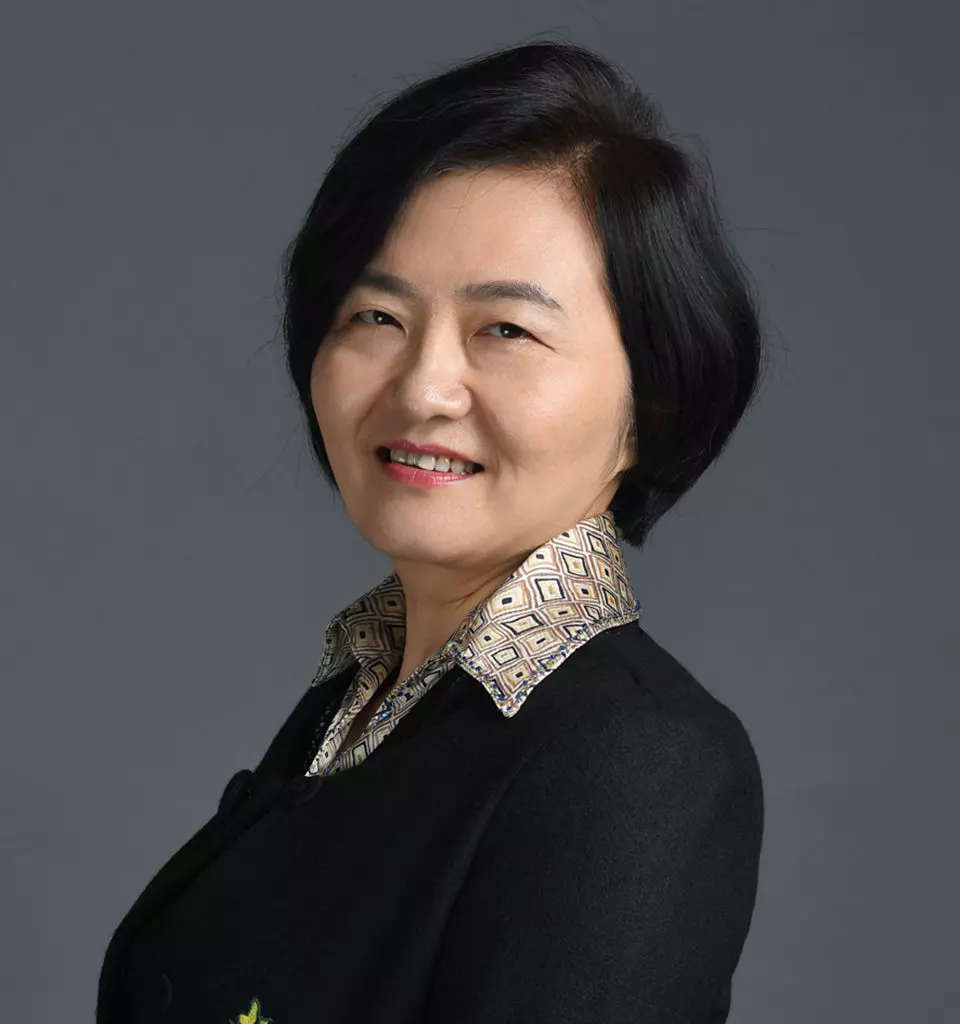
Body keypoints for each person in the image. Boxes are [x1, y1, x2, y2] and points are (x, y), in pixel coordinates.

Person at [97, 38, 767, 1024]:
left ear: (652, 405)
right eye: (376, 315)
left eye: (506, 330)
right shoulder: (363, 700)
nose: (420, 387)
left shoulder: (636, 764)